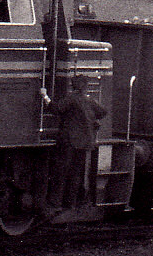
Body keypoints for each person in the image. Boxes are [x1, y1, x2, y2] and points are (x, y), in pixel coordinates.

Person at [39, 75, 107, 216]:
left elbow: (56, 109)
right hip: (84, 143)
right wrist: (91, 119)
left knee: (61, 172)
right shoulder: (89, 99)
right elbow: (102, 112)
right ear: (85, 86)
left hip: (69, 141)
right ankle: (71, 203)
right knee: (76, 173)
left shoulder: (71, 98)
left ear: (73, 86)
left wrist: (45, 96)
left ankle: (55, 203)